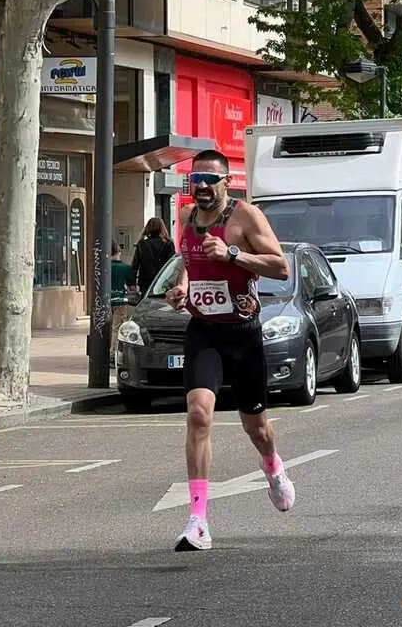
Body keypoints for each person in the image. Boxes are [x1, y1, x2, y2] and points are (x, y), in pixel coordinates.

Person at [165, 149, 293, 551]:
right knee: (199, 413)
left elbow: (281, 266)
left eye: (208, 180)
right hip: (204, 330)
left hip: (242, 333)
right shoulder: (184, 218)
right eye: (194, 180)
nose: (201, 188)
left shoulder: (245, 216)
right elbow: (187, 261)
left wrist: (233, 254)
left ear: (226, 183)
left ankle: (272, 466)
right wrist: (182, 287)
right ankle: (198, 519)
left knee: (256, 428)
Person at [130, 217, 176, 295]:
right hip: (163, 281)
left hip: (146, 281)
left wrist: (132, 283)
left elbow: (135, 265)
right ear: (162, 228)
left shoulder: (142, 244)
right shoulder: (168, 243)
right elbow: (172, 265)